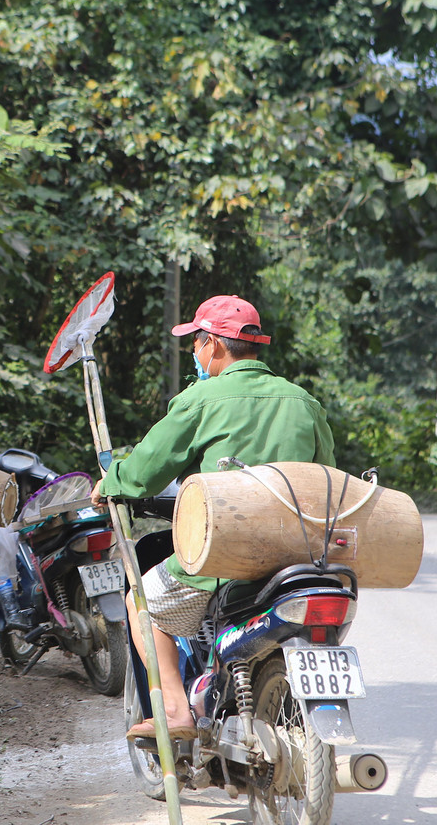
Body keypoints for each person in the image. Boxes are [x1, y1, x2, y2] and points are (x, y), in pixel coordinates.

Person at [89, 294, 334, 741]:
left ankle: (177, 711)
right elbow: (327, 481)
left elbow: (144, 472)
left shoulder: (201, 398)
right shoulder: (304, 402)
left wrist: (109, 483)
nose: (196, 356)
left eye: (197, 344)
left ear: (215, 346)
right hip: (297, 558)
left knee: (142, 602)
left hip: (223, 556)